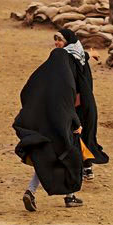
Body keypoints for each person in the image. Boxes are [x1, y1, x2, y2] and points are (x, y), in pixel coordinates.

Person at [14, 44, 84, 211]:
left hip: (42, 127)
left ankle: (30, 191)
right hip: (61, 128)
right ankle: (70, 196)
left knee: (44, 160)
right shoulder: (66, 80)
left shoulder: (40, 75)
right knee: (70, 158)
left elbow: (26, 93)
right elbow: (68, 106)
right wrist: (76, 123)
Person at [57, 29, 107, 180]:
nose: (57, 43)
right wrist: (91, 54)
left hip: (78, 103)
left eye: (60, 40)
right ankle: (83, 167)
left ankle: (85, 167)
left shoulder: (69, 58)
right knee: (80, 134)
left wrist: (71, 103)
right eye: (56, 39)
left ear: (68, 41)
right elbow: (84, 55)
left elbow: (74, 82)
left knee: (79, 133)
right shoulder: (76, 54)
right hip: (83, 102)